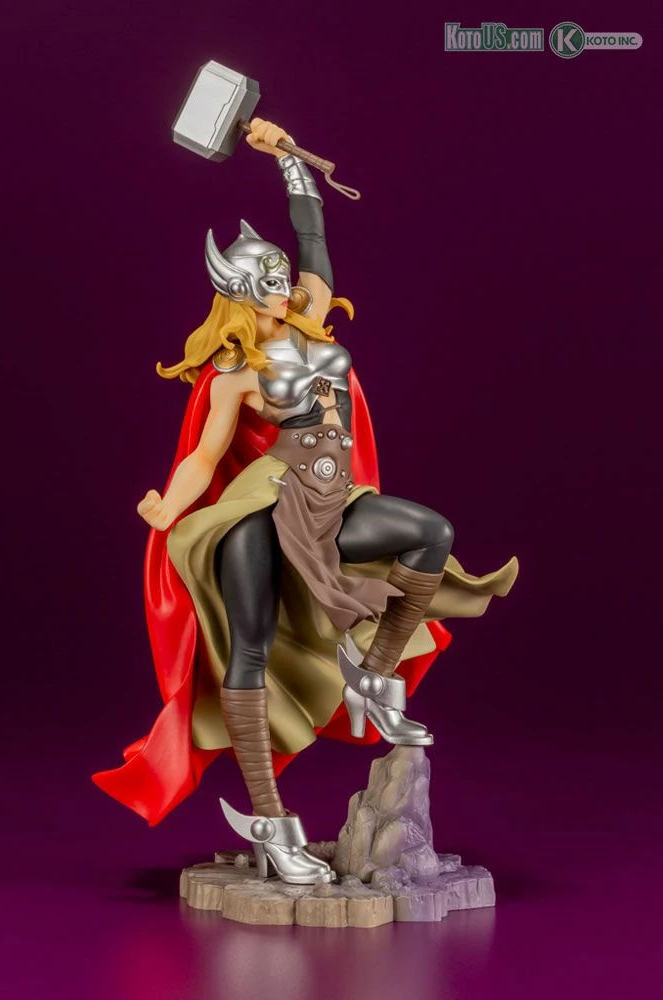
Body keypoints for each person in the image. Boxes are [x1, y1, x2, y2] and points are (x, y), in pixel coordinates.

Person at [93, 119, 518, 886]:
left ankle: (372, 673)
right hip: (258, 510)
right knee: (249, 650)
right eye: (269, 280)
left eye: (283, 275)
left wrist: (289, 160)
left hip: (331, 496)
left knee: (429, 533)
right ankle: (269, 817)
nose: (285, 283)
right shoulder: (233, 376)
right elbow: (204, 456)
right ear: (238, 294)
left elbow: (314, 238)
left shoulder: (312, 319)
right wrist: (167, 508)